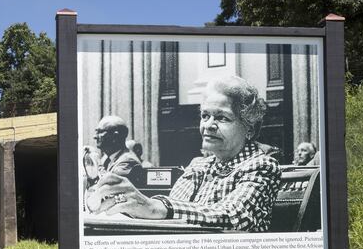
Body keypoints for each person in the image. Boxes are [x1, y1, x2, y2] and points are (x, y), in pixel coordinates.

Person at [86, 76, 282, 232]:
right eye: (205, 115)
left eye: (222, 117)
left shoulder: (262, 166)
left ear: (249, 128)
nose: (208, 125)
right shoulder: (199, 165)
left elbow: (235, 216)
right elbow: (171, 216)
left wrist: (154, 207)